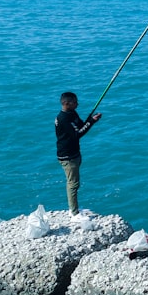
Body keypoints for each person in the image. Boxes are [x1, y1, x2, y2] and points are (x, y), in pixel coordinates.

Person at [55, 91, 101, 222]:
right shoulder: (63, 119)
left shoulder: (72, 113)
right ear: (66, 103)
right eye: (75, 102)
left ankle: (75, 209)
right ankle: (74, 213)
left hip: (74, 153)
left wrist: (92, 120)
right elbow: (78, 134)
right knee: (73, 184)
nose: (78, 103)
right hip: (67, 157)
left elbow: (80, 126)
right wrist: (91, 122)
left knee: (74, 183)